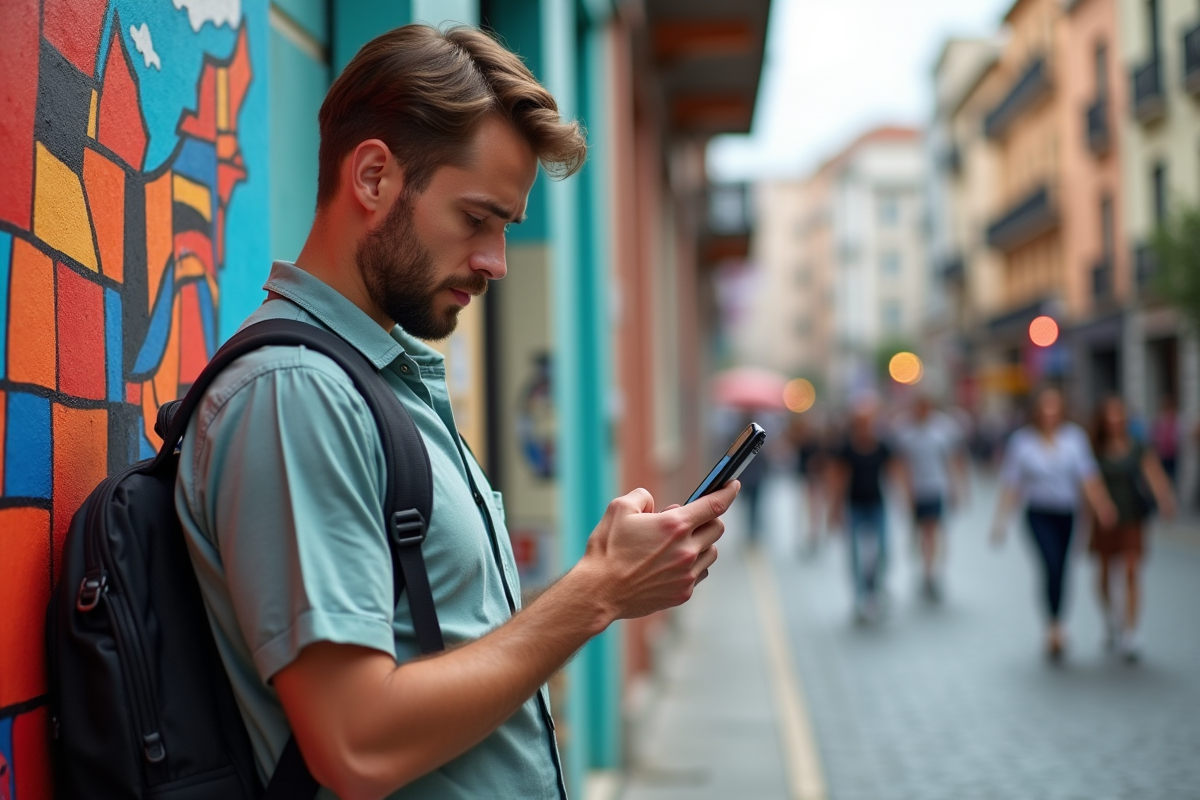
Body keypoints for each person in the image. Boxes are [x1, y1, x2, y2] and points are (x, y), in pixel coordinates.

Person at [175, 25, 738, 800]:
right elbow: (355, 742)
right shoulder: (296, 394)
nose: (495, 262)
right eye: (476, 219)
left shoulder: (374, 379)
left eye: (505, 228)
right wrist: (596, 592)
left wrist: (602, 581)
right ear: (373, 176)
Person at [990, 387, 1117, 661]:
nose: (1049, 413)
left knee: (1062, 568)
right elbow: (1012, 484)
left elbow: (1088, 477)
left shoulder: (1074, 439)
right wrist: (1000, 522)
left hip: (1066, 513)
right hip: (1038, 513)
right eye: (1044, 408)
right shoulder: (1023, 442)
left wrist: (1102, 506)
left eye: (1054, 407)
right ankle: (1052, 627)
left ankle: (1060, 621)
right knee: (1050, 564)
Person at [1089, 396, 1176, 661]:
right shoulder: (1095, 448)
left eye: (1119, 415)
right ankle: (1109, 619)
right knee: (1105, 572)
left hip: (1132, 517)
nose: (1115, 420)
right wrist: (1100, 506)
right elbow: (1088, 481)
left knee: (1131, 569)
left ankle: (1131, 631)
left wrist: (1164, 499)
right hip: (1104, 519)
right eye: (1110, 415)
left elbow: (1154, 474)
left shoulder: (1137, 446)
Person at [828, 398, 901, 622]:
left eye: (868, 421)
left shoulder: (882, 446)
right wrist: (835, 509)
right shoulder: (847, 449)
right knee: (855, 554)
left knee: (883, 550)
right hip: (854, 507)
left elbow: (895, 471)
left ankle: (875, 587)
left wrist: (902, 498)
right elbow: (839, 479)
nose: (865, 426)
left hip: (877, 505)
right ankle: (860, 596)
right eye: (860, 422)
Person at [892, 396, 968, 602]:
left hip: (936, 488)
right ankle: (924, 570)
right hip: (916, 491)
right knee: (920, 534)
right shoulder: (904, 431)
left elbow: (952, 460)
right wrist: (903, 493)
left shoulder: (943, 429)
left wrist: (957, 488)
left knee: (933, 531)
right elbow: (901, 465)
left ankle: (932, 574)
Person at [788, 414, 827, 554]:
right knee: (803, 510)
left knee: (814, 510)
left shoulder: (817, 441)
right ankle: (804, 537)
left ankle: (813, 536)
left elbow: (821, 459)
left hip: (814, 479)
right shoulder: (800, 439)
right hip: (803, 478)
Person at [1150, 395, 1180, 489]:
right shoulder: (1160, 420)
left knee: (1174, 475)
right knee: (1164, 475)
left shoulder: (1176, 420)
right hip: (1162, 454)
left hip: (1174, 454)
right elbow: (1154, 436)